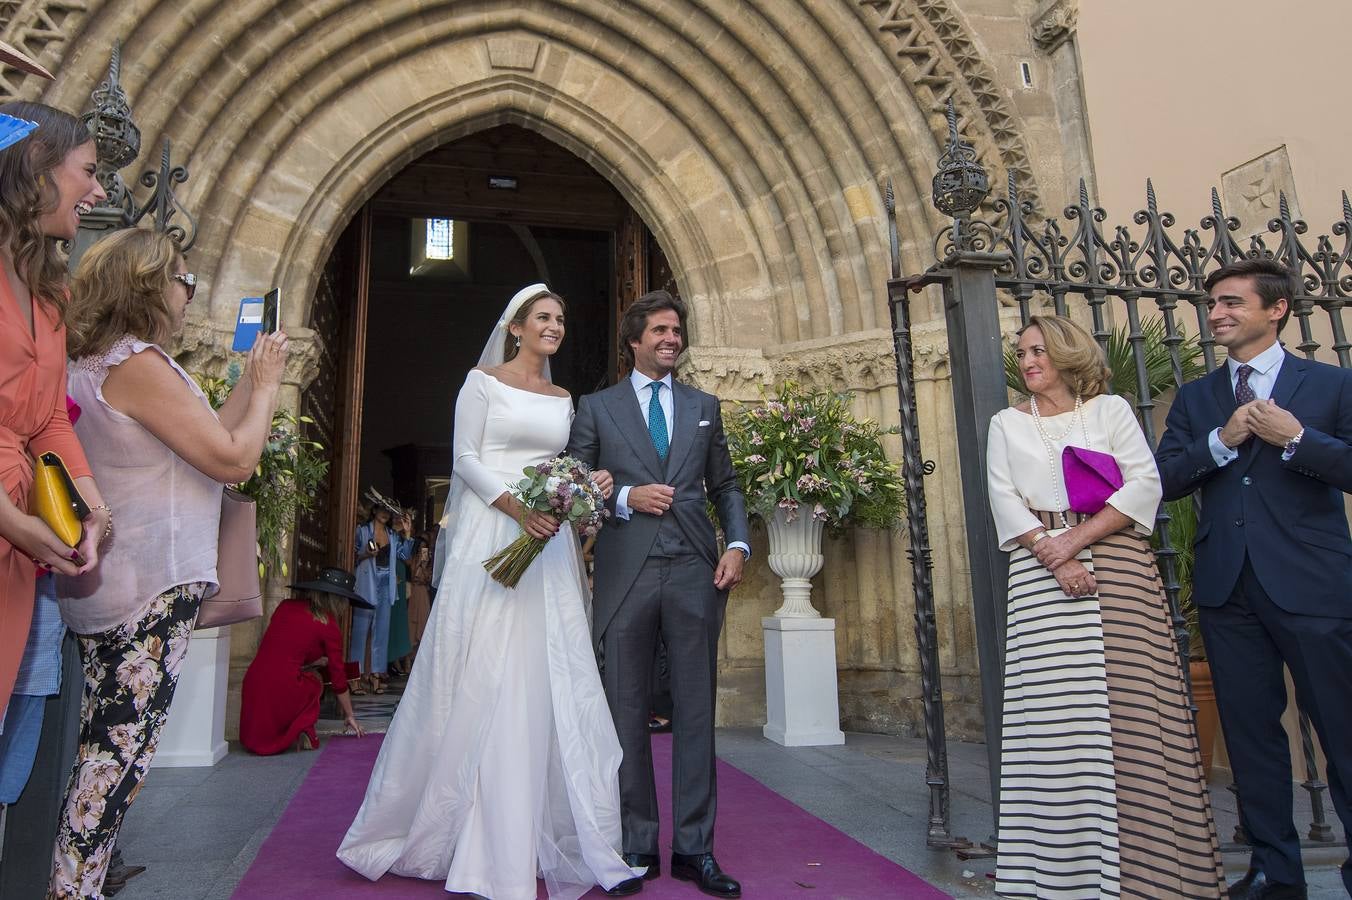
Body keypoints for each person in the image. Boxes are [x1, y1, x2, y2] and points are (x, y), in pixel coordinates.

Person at [338, 284, 641, 900]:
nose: (554, 326)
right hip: (492, 526)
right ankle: (467, 826)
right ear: (516, 327)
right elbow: (467, 458)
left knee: (544, 666)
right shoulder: (481, 382)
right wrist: (515, 508)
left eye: (560, 318)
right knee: (484, 661)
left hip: (547, 542)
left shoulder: (564, 399)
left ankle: (542, 826)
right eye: (543, 318)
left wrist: (589, 484)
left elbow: (568, 465)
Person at [54, 227, 289, 898]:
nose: (189, 293)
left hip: (115, 579)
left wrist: (248, 380)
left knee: (103, 744)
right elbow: (234, 460)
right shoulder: (136, 363)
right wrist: (270, 384)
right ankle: (72, 887)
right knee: (118, 755)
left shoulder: (99, 360)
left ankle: (77, 879)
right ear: (147, 285)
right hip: (147, 586)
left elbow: (208, 435)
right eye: (183, 279)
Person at [986, 315, 1223, 899]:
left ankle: (1148, 875)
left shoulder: (1110, 411)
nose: (1028, 361)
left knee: (1133, 716)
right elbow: (1002, 496)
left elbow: (1144, 483)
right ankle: (1054, 875)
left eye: (1039, 350)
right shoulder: (1005, 423)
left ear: (1068, 353)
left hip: (1117, 567)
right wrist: (1053, 551)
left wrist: (1078, 541)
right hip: (1039, 575)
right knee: (1051, 722)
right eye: (1022, 352)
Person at [1156, 258, 1352, 900]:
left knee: (1341, 727)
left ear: (1277, 311)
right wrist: (1221, 438)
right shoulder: (1197, 398)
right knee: (1250, 735)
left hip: (1313, 586)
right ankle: (1274, 871)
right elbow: (1165, 481)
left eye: (1232, 302)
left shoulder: (1330, 385)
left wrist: (1297, 438)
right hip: (1226, 588)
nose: (1217, 313)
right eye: (1212, 303)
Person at [567, 289, 751, 898]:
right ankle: (637, 844)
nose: (672, 339)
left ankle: (696, 849)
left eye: (678, 331)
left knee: (697, 710)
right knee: (626, 709)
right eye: (662, 331)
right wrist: (623, 497)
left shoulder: (705, 405)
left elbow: (725, 485)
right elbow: (574, 487)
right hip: (626, 570)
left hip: (696, 568)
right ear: (635, 341)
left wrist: (738, 545)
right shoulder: (596, 407)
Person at [0, 101, 112, 720]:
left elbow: (48, 421)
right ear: (38, 164)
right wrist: (19, 528)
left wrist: (93, 511)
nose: (97, 190)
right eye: (88, 170)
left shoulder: (50, 291)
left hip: (16, 533)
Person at [240, 566, 368, 754]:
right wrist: (350, 715)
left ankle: (291, 731)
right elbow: (338, 677)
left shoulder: (285, 606)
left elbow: (281, 653)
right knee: (316, 680)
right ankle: (305, 730)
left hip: (253, 683)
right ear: (340, 601)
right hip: (281, 690)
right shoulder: (329, 625)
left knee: (304, 674)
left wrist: (313, 661)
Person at [348, 503, 412, 694]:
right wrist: (366, 554)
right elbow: (351, 555)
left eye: (388, 512)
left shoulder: (392, 535)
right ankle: (354, 678)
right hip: (366, 582)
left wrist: (407, 533)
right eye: (382, 510)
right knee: (360, 631)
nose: (385, 514)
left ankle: (376, 675)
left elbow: (405, 555)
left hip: (386, 584)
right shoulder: (362, 531)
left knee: (382, 632)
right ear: (374, 511)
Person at [405, 527, 433, 651]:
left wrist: (425, 564)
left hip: (423, 593)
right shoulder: (412, 560)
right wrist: (419, 563)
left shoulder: (428, 562)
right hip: (413, 592)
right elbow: (414, 576)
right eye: (421, 547)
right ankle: (407, 660)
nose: (423, 550)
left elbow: (427, 578)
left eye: (425, 547)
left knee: (423, 622)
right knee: (411, 624)